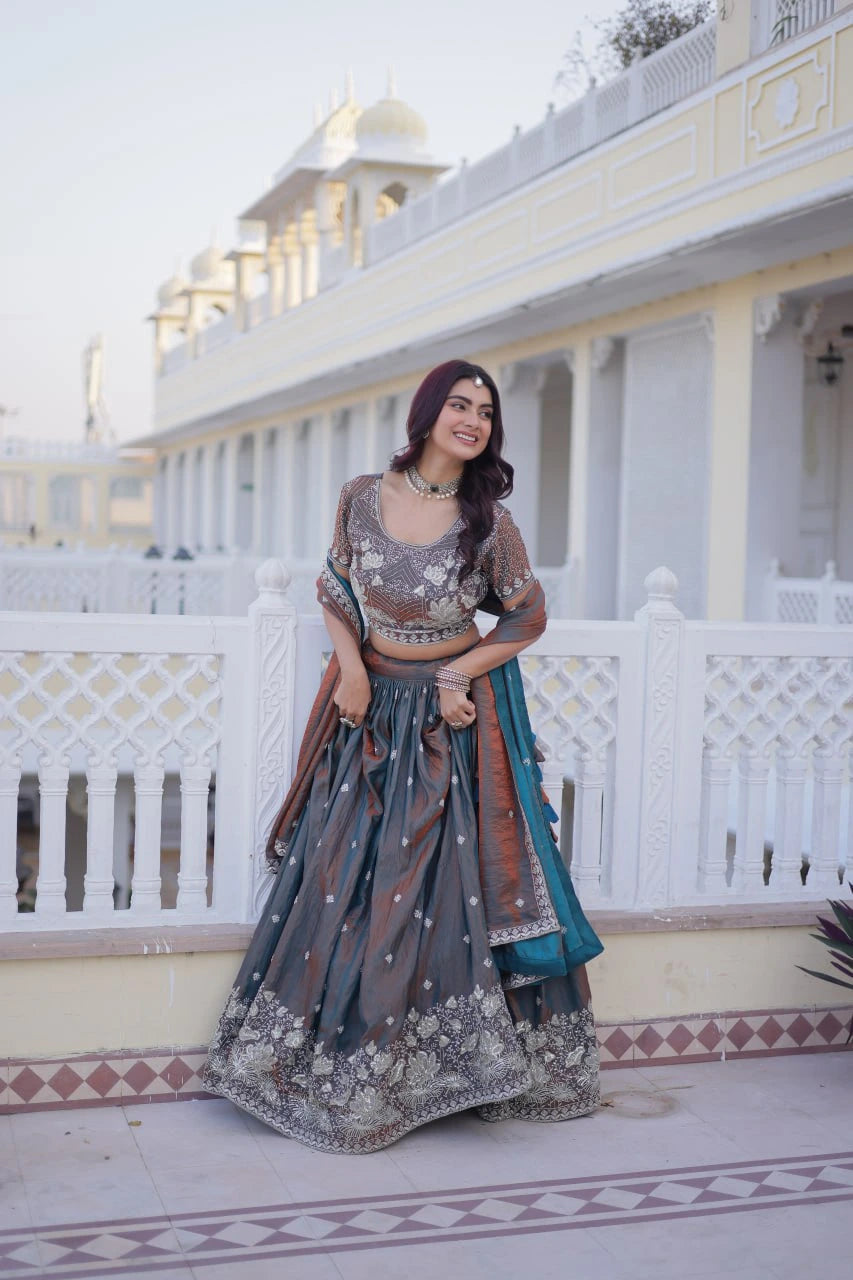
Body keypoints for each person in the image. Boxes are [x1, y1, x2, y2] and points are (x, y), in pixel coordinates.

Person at [203, 358, 604, 1153]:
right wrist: (351, 669)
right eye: (459, 404)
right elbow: (334, 590)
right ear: (427, 413)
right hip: (369, 710)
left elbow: (525, 619)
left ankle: (445, 1070)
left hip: (449, 723)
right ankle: (335, 1065)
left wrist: (457, 673)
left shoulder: (485, 521)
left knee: (434, 889)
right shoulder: (360, 496)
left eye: (485, 412)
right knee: (340, 879)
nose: (473, 420)